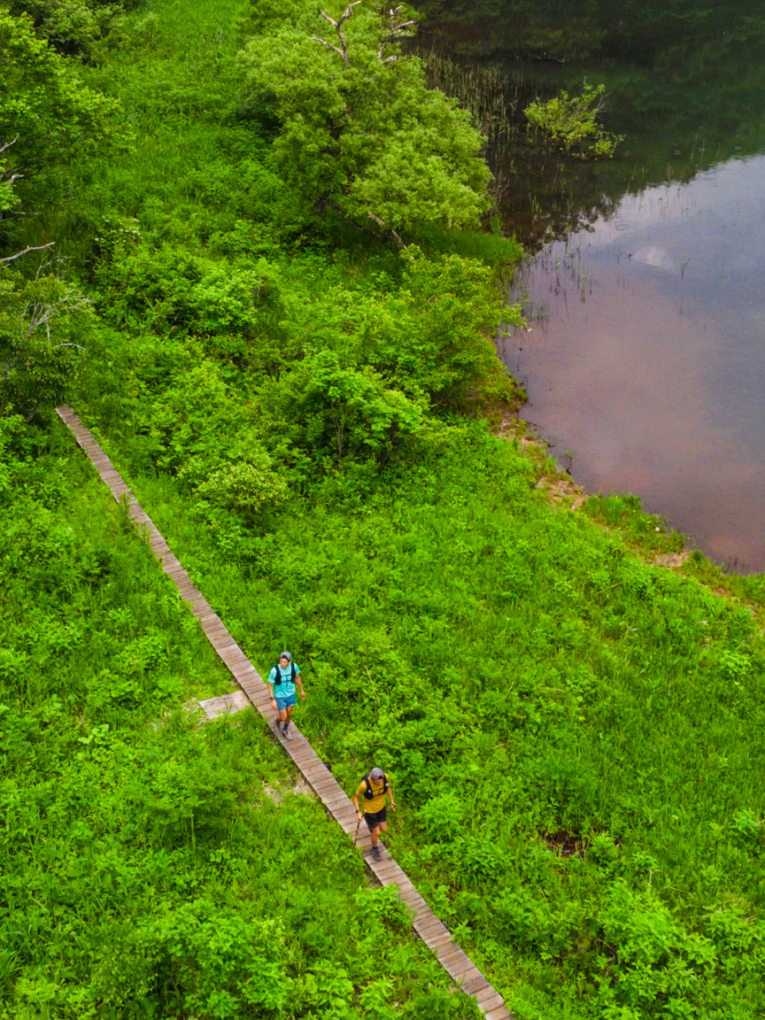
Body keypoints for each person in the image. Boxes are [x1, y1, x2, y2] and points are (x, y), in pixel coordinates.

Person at [353, 767, 396, 860]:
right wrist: (358, 812)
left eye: (381, 780)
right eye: (378, 781)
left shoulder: (386, 777)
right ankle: (374, 848)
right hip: (369, 810)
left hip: (381, 807)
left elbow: (388, 788)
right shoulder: (364, 785)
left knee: (384, 829)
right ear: (373, 779)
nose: (380, 782)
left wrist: (392, 801)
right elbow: (356, 796)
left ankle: (372, 827)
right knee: (377, 832)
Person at [267, 651, 305, 739]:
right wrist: (272, 699)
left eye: (284, 662)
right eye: (281, 661)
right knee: (283, 716)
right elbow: (269, 685)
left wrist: (302, 690)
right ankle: (277, 721)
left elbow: (297, 677)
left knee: (289, 713)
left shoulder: (294, 667)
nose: (282, 663)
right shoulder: (274, 670)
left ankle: (285, 729)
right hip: (280, 696)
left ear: (289, 662)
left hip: (291, 694)